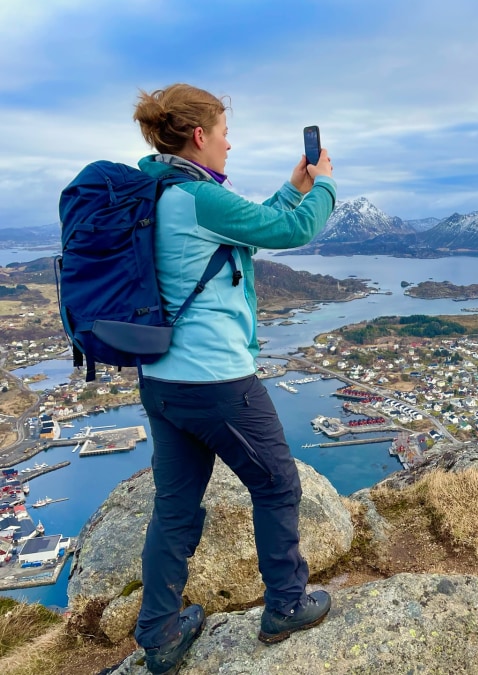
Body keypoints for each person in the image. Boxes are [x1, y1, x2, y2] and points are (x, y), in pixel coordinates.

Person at [131, 83, 335, 674]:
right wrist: (323, 185)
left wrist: (291, 188)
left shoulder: (155, 191)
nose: (229, 142)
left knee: (174, 509)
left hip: (163, 382)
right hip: (217, 382)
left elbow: (256, 221)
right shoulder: (196, 196)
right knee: (276, 484)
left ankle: (161, 635)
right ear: (200, 136)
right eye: (224, 132)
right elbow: (288, 232)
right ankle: (286, 605)